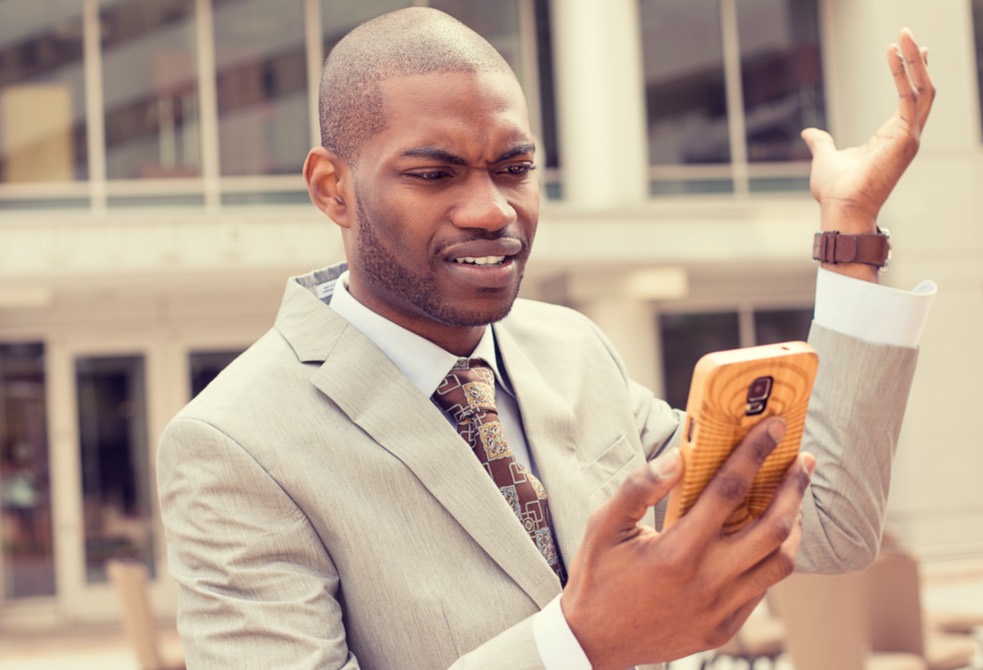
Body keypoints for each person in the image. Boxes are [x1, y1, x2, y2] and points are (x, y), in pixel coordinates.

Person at [156, 7, 936, 669]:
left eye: (514, 166)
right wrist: (579, 644)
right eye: (435, 174)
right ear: (333, 189)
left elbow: (828, 524)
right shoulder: (234, 445)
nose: (492, 209)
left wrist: (851, 233)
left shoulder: (571, 350)